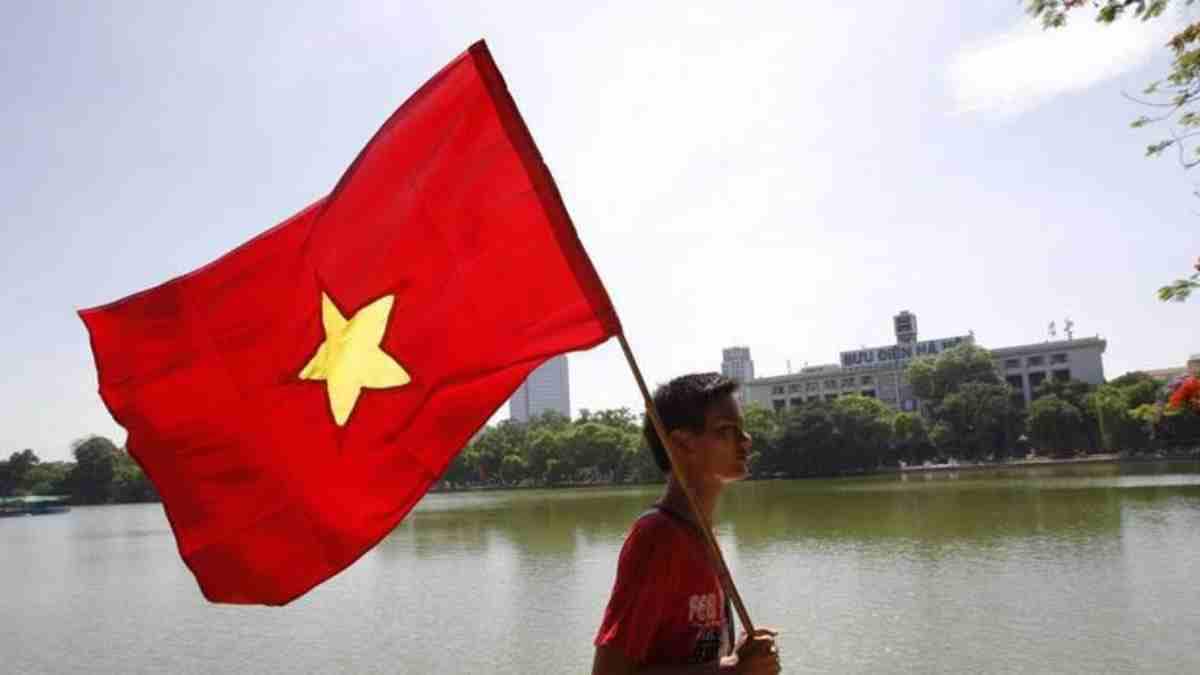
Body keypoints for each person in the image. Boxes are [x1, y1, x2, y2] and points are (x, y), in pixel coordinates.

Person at [591, 372, 781, 674]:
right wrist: (731, 671)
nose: (746, 441)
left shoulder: (701, 532)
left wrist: (739, 655)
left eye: (742, 429)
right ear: (681, 443)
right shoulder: (657, 537)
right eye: (726, 431)